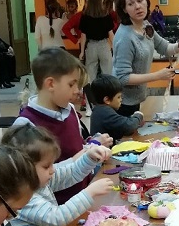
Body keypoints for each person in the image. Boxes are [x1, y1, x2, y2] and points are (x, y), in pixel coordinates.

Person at [16, 48, 113, 205]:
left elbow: (77, 145)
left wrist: (92, 145)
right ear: (51, 84)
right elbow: (31, 178)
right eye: (71, 84)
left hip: (83, 196)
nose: (77, 91)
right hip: (56, 208)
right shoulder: (26, 124)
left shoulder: (70, 109)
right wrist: (83, 154)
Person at [2, 123, 112, 226]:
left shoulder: (39, 181)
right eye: (46, 166)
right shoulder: (22, 199)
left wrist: (90, 157)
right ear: (23, 169)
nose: (52, 170)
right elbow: (57, 217)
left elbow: (71, 173)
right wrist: (90, 192)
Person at [112, 0, 179, 117]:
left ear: (146, 1)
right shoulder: (124, 37)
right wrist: (158, 75)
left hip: (138, 98)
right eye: (131, 4)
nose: (137, 6)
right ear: (124, 9)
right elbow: (123, 77)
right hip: (122, 103)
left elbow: (164, 47)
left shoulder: (146, 25)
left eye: (140, 0)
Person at [89, 74, 145, 140]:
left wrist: (132, 119)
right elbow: (129, 126)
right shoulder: (105, 112)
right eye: (118, 97)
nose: (121, 99)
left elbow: (122, 123)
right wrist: (138, 115)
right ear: (107, 100)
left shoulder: (99, 109)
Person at [78, 0, 115, 89]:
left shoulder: (85, 16)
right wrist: (115, 47)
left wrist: (82, 52)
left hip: (91, 46)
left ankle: (91, 96)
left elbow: (83, 36)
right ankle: (107, 94)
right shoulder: (106, 15)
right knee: (107, 72)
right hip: (104, 45)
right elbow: (111, 34)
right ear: (100, 1)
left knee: (90, 74)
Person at [0, 22, 17, 88]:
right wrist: (6, 51)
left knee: (11, 57)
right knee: (2, 59)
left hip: (2, 53)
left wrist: (9, 48)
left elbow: (4, 43)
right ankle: (3, 80)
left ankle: (11, 77)